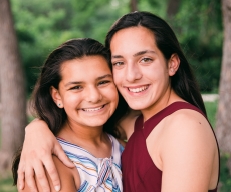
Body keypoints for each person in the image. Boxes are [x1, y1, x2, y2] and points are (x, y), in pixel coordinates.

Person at [16, 11, 219, 192]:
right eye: (119, 63)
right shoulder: (133, 123)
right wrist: (36, 129)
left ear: (172, 64)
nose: (131, 76)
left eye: (145, 59)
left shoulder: (183, 126)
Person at [12, 38, 128, 192]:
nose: (94, 97)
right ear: (57, 96)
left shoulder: (122, 147)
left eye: (103, 82)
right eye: (76, 87)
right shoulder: (48, 165)